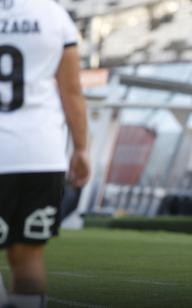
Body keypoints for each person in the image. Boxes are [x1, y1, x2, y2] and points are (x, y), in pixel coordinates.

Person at [0, 0, 90, 307]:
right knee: (28, 258)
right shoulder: (53, 15)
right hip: (39, 154)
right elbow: (72, 91)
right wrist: (81, 149)